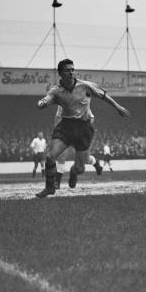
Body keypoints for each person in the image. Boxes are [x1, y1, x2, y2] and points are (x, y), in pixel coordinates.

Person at [35, 59, 129, 198]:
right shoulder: (56, 91)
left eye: (73, 69)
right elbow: (47, 99)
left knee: (80, 168)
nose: (72, 72)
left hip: (83, 127)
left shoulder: (85, 86)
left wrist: (118, 107)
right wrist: (42, 103)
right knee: (50, 157)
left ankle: (74, 172)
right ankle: (50, 187)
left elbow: (104, 96)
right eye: (68, 70)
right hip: (65, 126)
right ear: (60, 73)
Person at [52, 106, 103, 190]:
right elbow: (57, 118)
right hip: (66, 132)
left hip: (80, 133)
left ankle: (95, 164)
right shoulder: (62, 102)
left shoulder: (83, 102)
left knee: (83, 161)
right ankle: (57, 181)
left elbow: (91, 118)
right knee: (62, 155)